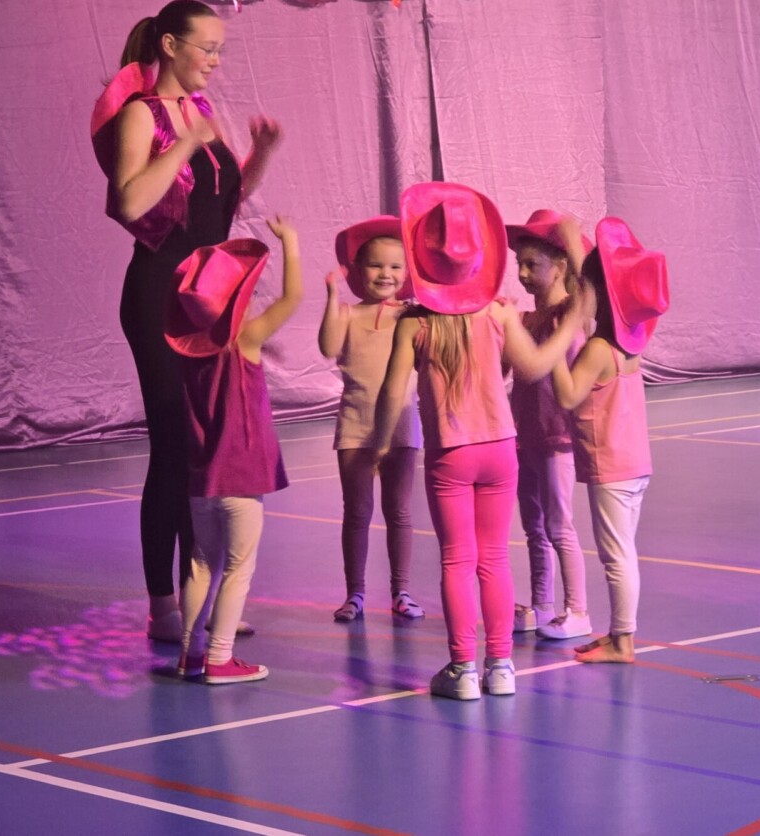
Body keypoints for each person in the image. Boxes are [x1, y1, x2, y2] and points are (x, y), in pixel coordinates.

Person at [90, 0, 281, 641]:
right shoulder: (141, 114)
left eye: (220, 50)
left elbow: (219, 205)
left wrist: (258, 155)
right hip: (159, 295)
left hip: (208, 296)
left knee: (207, 450)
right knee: (174, 444)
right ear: (170, 45)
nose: (216, 61)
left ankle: (203, 596)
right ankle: (164, 606)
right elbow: (128, 201)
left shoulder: (199, 112)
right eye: (208, 48)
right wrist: (185, 146)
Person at [375, 183, 585, 700]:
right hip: (501, 449)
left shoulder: (414, 323)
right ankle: (501, 666)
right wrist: (569, 327)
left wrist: (380, 444)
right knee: (494, 558)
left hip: (451, 453)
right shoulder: (498, 313)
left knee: (457, 560)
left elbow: (392, 394)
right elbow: (533, 368)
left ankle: (462, 668)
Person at [165, 218, 302, 684]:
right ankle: (220, 657)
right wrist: (291, 244)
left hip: (202, 476)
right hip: (240, 477)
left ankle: (190, 656)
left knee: (201, 563)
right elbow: (292, 298)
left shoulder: (190, 352)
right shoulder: (246, 339)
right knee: (239, 568)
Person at [551, 218, 668, 663]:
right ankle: (618, 633)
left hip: (613, 467)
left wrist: (553, 346)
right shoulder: (626, 344)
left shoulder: (599, 350)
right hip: (633, 463)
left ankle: (623, 641)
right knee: (621, 551)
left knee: (617, 556)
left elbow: (567, 395)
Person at [318, 216, 424, 623]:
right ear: (358, 270)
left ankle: (402, 591)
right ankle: (355, 593)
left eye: (395, 266)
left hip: (401, 425)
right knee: (357, 512)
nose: (385, 274)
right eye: (376, 265)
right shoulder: (348, 313)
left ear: (407, 273)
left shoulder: (412, 316)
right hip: (356, 426)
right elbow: (328, 346)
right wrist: (332, 295)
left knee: (399, 511)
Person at [506, 210, 592, 640]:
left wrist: (573, 244)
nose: (522, 274)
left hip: (557, 435)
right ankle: (542, 606)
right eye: (518, 264)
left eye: (531, 265)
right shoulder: (524, 319)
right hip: (525, 435)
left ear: (559, 267)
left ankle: (578, 610)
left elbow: (589, 292)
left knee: (559, 526)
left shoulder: (572, 313)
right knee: (534, 527)